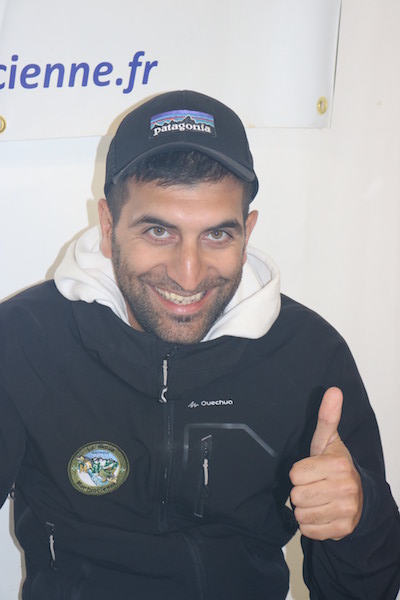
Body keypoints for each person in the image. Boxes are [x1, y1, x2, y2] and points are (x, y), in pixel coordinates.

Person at [0, 90, 399, 600]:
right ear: (108, 225)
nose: (188, 275)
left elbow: (368, 592)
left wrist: (359, 519)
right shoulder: (26, 338)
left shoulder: (308, 356)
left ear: (247, 232)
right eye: (158, 231)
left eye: (216, 235)